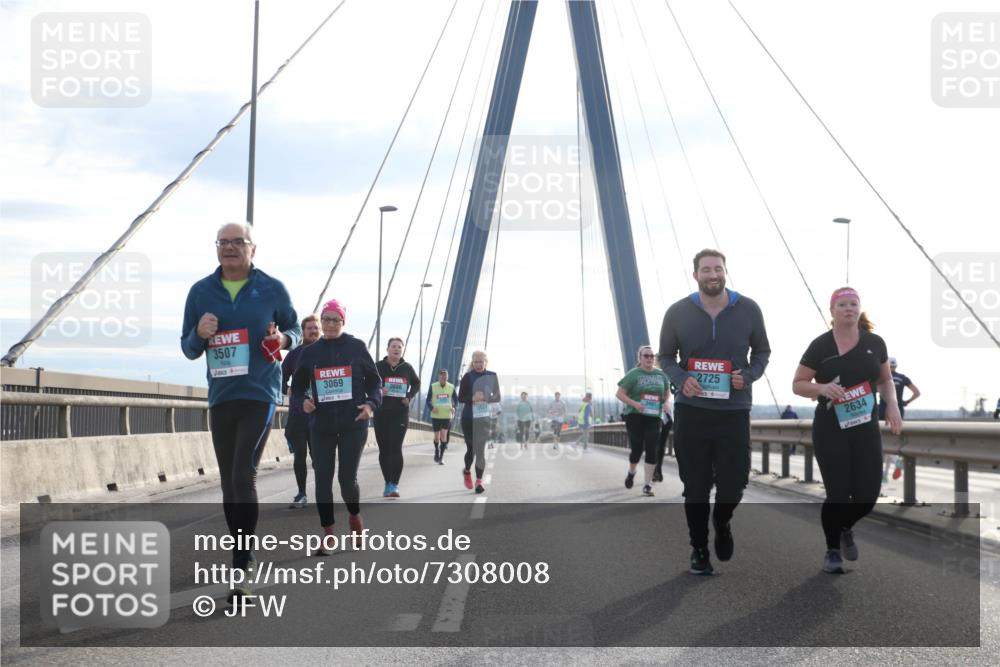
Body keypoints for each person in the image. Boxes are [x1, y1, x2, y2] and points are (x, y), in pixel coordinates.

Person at [181, 222, 301, 601]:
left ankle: (242, 564)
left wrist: (282, 338)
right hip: (222, 395)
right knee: (228, 481)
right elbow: (187, 348)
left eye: (238, 242)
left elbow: (295, 329)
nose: (229, 248)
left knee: (242, 473)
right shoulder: (200, 292)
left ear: (253, 249)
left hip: (260, 392)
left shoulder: (272, 288)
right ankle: (240, 554)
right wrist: (199, 333)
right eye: (223, 242)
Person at [659, 249, 770, 576]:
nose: (713, 275)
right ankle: (698, 549)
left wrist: (747, 376)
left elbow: (762, 351)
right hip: (692, 412)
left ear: (725, 272)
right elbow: (666, 357)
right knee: (695, 486)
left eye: (718, 269)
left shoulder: (748, 309)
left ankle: (722, 522)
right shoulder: (677, 312)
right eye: (706, 270)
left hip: (733, 412)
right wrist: (681, 379)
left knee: (734, 483)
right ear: (695, 275)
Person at [793, 287, 902, 574]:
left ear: (859, 308)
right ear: (833, 311)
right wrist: (821, 388)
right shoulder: (820, 346)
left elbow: (885, 379)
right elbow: (798, 383)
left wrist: (891, 406)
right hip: (830, 428)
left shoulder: (875, 343)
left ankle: (845, 527)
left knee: (867, 494)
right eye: (842, 304)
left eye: (853, 303)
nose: (849, 308)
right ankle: (832, 550)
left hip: (865, 427)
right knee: (838, 493)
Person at [291, 299, 382, 556]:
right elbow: (296, 388)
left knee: (346, 480)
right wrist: (303, 402)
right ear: (321, 322)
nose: (330, 324)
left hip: (354, 423)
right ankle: (329, 533)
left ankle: (354, 516)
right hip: (321, 425)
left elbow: (375, 383)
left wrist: (370, 406)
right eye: (326, 319)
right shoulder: (310, 353)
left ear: (343, 322)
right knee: (322, 480)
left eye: (335, 320)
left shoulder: (356, 347)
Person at [616, 346, 667, 497]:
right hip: (635, 416)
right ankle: (631, 472)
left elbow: (666, 393)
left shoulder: (661, 375)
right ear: (640, 358)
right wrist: (635, 404)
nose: (650, 358)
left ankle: (647, 485)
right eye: (646, 356)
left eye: (652, 356)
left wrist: (666, 403)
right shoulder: (634, 374)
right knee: (637, 450)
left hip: (654, 417)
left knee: (652, 449)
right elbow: (619, 394)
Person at [281, 314, 321, 509]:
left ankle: (322, 493)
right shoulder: (294, 354)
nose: (313, 331)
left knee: (319, 458)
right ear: (303, 332)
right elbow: (279, 379)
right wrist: (287, 389)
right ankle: (301, 494)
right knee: (299, 456)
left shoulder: (328, 351)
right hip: (298, 414)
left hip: (321, 416)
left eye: (316, 328)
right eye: (309, 328)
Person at [374, 337, 420, 498]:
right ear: (387, 349)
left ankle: (394, 484)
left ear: (402, 350)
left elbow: (416, 383)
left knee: (395, 447)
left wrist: (409, 396)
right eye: (393, 346)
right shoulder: (378, 367)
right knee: (384, 450)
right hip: (381, 413)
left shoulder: (407, 367)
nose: (396, 349)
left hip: (400, 413)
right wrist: (379, 390)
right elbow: (368, 382)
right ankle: (387, 482)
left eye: (399, 347)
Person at [457, 350, 500, 493]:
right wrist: (472, 398)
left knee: (480, 450)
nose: (478, 364)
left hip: (484, 419)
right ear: (472, 362)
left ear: (485, 362)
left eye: (481, 362)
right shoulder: (467, 377)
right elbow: (460, 398)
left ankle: (479, 482)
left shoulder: (492, 376)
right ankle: (467, 471)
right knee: (472, 450)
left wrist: (486, 397)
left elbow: (497, 397)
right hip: (469, 418)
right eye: (476, 362)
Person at [426, 369, 456, 464]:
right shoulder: (433, 386)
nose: (444, 377)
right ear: (439, 376)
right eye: (442, 375)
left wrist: (454, 407)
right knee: (436, 437)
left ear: (447, 377)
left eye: (445, 376)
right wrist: (431, 408)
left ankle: (441, 457)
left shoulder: (451, 387)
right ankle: (436, 450)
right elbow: (428, 400)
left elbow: (456, 399)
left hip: (447, 415)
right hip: (436, 415)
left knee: (443, 436)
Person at [653, 392, 674, 482]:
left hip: (665, 414)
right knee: (653, 444)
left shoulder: (664, 378)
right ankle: (654, 469)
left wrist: (666, 402)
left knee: (661, 444)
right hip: (650, 413)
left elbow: (668, 391)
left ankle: (658, 469)